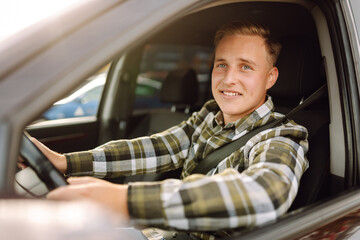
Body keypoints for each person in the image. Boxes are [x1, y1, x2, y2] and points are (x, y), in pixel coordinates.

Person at [30, 21, 308, 240]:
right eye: (221, 64)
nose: (228, 78)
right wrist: (65, 161)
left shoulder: (283, 135)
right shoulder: (208, 117)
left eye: (245, 67)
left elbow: (265, 195)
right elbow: (155, 148)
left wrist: (123, 200)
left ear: (270, 77)